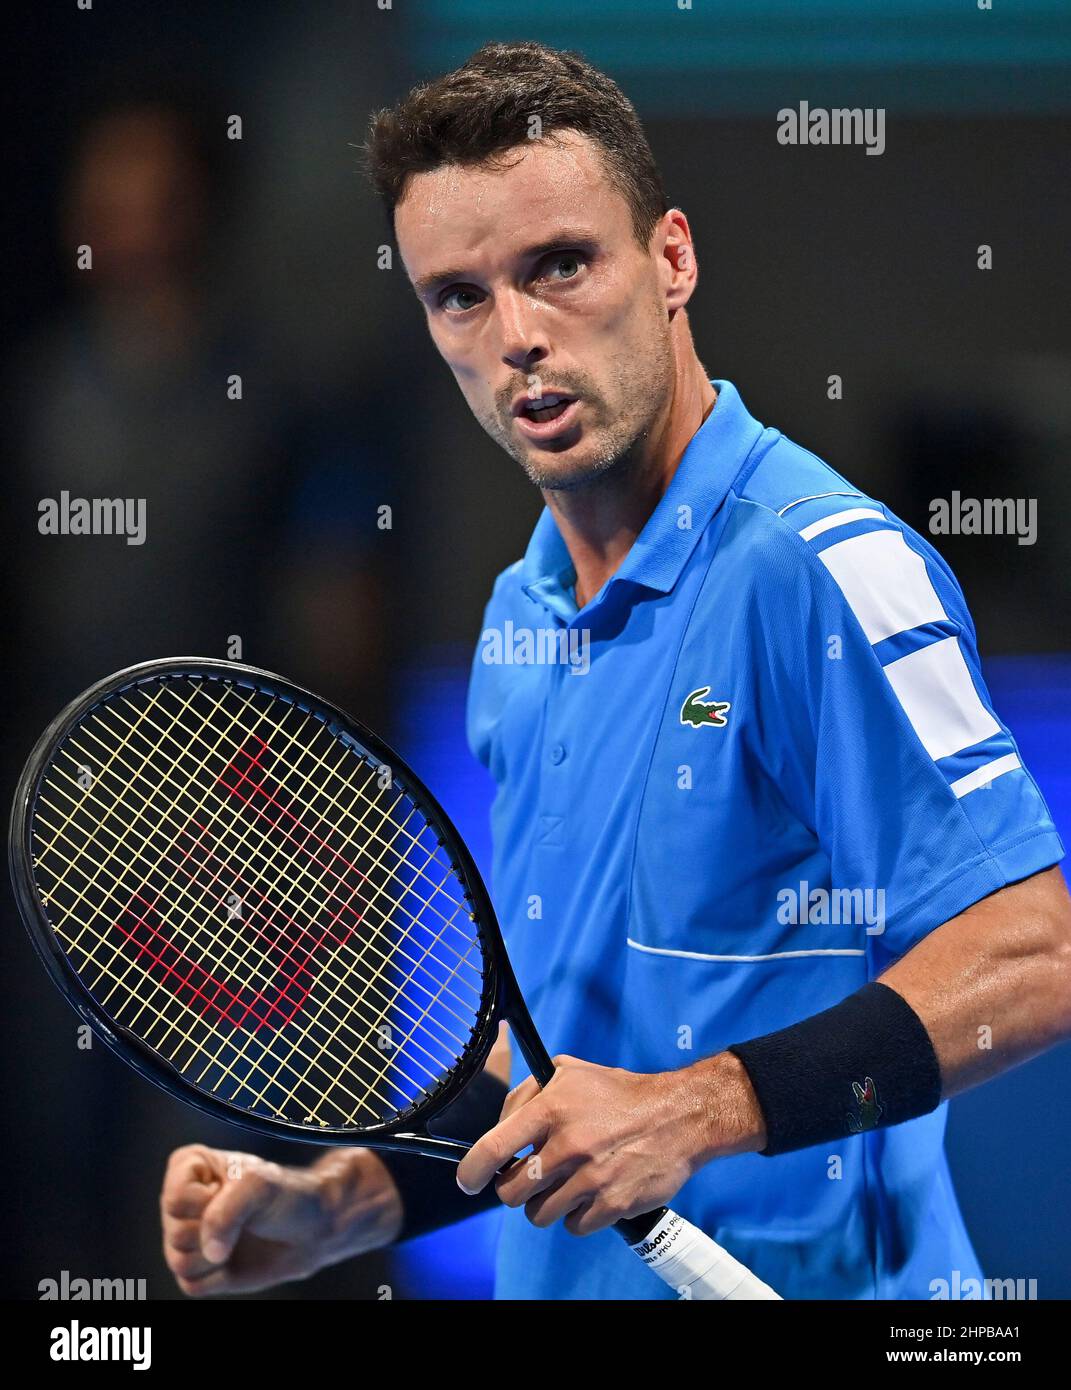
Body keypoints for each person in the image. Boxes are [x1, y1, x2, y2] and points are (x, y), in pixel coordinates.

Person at [161, 41, 1071, 1300]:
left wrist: (700, 1111)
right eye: (459, 296)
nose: (518, 337)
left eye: (561, 265)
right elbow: (553, 1062)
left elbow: (1032, 956)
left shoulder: (821, 572)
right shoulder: (517, 620)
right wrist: (339, 1205)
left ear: (673, 259)